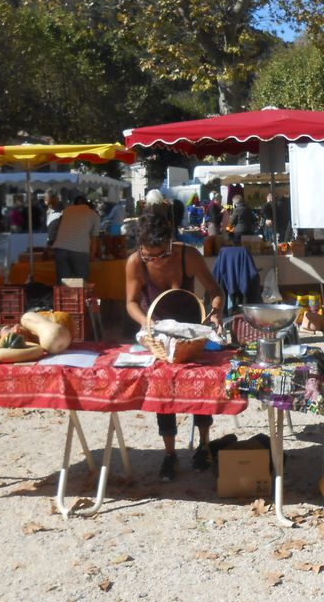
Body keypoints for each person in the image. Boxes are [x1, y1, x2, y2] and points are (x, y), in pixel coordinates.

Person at [125, 212, 225, 481]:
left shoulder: (188, 256)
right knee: (162, 386)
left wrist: (214, 313)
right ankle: (170, 454)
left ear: (172, 244)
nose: (156, 261)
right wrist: (149, 323)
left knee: (201, 386)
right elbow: (132, 303)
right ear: (140, 251)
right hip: (156, 333)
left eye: (162, 255)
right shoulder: (135, 262)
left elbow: (215, 291)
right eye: (150, 256)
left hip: (191, 329)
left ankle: (203, 445)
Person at [49, 194, 101, 282]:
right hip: (79, 249)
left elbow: (58, 227)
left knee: (64, 282)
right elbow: (94, 238)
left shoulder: (67, 210)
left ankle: (65, 295)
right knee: (80, 282)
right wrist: (92, 254)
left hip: (60, 247)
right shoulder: (94, 215)